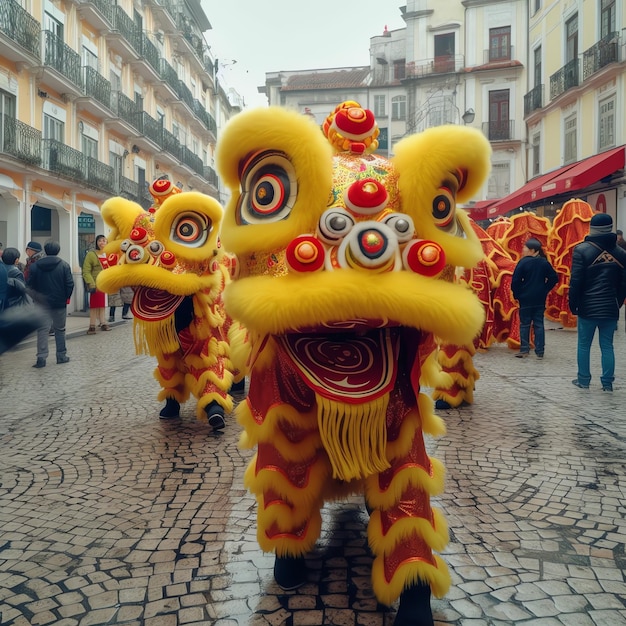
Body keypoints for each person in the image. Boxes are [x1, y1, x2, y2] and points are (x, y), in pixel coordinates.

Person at [569, 214, 626, 391]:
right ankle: (607, 382)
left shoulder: (581, 250)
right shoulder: (621, 253)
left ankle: (583, 380)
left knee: (584, 344)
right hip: (610, 306)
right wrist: (617, 303)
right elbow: (623, 283)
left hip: (587, 307)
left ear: (592, 228)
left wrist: (573, 304)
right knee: (607, 345)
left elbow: (576, 281)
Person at [27, 240, 74, 368]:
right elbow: (69, 284)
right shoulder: (64, 265)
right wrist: (66, 297)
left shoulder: (35, 266)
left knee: (42, 330)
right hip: (59, 302)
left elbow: (29, 285)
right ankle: (61, 355)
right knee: (60, 329)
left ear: (45, 250)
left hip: (41, 303)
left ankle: (41, 358)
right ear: (58, 250)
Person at [511, 237, 558, 359]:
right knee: (539, 324)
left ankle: (524, 350)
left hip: (525, 298)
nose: (523, 250)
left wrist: (517, 294)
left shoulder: (523, 262)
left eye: (525, 248)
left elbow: (515, 281)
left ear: (532, 250)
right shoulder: (544, 262)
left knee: (525, 324)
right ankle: (540, 351)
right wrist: (545, 289)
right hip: (539, 298)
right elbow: (554, 278)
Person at [82, 234, 111, 334]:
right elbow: (86, 270)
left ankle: (103, 322)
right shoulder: (91, 254)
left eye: (104, 240)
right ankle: (92, 325)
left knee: (103, 305)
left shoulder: (109, 254)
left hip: (106, 282)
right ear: (96, 242)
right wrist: (91, 283)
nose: (102, 242)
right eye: (100, 241)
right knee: (95, 305)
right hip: (96, 282)